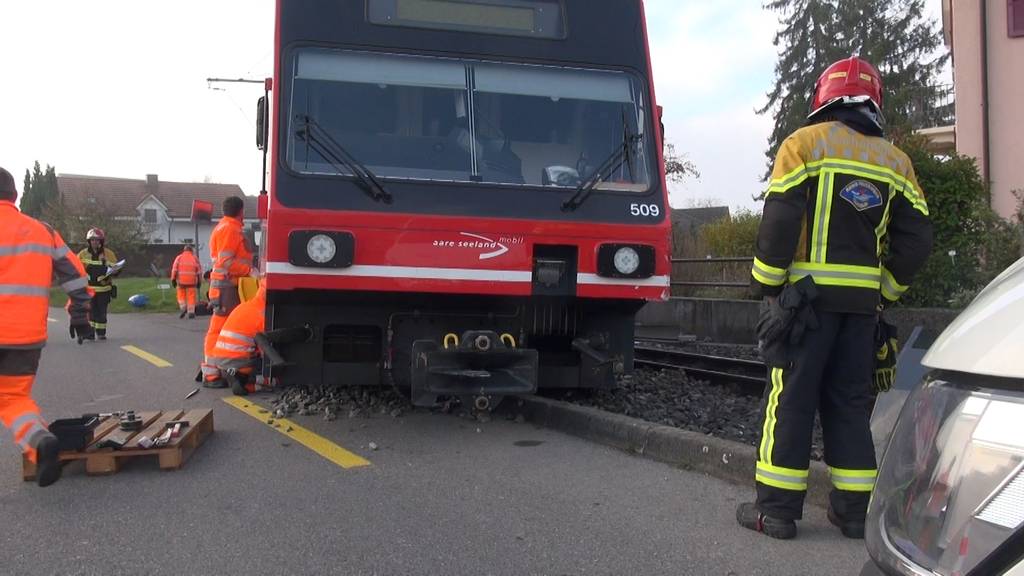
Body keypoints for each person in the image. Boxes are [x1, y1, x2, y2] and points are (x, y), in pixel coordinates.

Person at [737, 57, 933, 540]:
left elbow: (781, 220)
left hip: (804, 307)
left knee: (791, 402)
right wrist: (884, 291)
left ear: (823, 99)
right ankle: (852, 514)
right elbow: (917, 241)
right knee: (849, 404)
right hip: (861, 311)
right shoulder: (897, 163)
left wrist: (768, 286)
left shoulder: (804, 145)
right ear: (875, 103)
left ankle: (776, 512)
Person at [0, 166, 93, 487]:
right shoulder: (42, 230)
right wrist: (80, 316)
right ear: (15, 196)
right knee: (13, 398)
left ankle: (41, 444)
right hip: (25, 338)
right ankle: (40, 441)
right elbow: (76, 276)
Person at [200, 196, 252, 387]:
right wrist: (250, 270)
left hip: (225, 287)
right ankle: (211, 373)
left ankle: (216, 371)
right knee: (219, 330)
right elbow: (226, 262)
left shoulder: (225, 227)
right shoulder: (230, 229)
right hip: (226, 287)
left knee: (224, 330)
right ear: (241, 211)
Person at [208, 281, 269, 396]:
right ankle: (248, 383)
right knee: (271, 377)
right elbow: (265, 349)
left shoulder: (245, 306)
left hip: (221, 362)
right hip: (239, 363)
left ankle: (235, 377)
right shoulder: (263, 313)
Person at [77, 228, 118, 340]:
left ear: (101, 241)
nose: (95, 242)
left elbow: (116, 269)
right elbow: (76, 269)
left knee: (102, 312)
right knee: (90, 313)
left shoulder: (108, 254)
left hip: (104, 290)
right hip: (89, 290)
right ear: (89, 241)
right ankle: (90, 334)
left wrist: (115, 270)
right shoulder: (82, 254)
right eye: (93, 240)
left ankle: (101, 333)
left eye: (97, 240)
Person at [170, 244, 202, 319]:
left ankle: (183, 308)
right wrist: (199, 281)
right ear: (191, 251)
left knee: (181, 295)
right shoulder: (195, 258)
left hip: (181, 282)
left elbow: (174, 269)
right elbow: (199, 271)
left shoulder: (179, 257)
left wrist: (173, 279)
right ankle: (191, 312)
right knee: (191, 296)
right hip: (191, 282)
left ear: (184, 250)